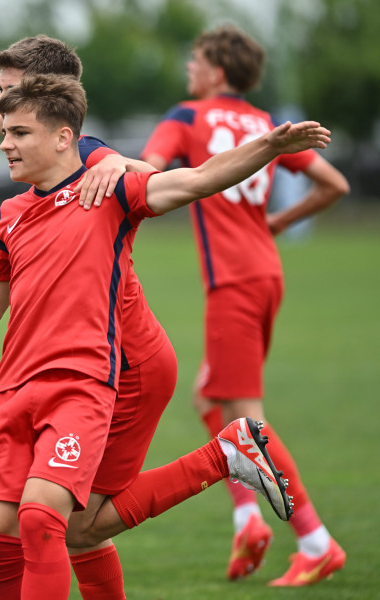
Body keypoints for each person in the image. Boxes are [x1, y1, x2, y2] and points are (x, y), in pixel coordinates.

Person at [0, 73, 329, 599]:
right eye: (4, 132)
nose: (4, 143)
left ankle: (224, 458)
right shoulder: (8, 215)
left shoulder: (111, 189)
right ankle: (225, 456)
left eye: (19, 133)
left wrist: (269, 145)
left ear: (64, 137)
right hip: (11, 392)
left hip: (82, 385)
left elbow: (197, 179)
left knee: (41, 518)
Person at [0, 37, 178, 597]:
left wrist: (120, 164)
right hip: (75, 361)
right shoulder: (38, 166)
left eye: (8, 92)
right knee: (35, 524)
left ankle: (224, 454)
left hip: (121, 364)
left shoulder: (93, 157)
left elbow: (140, 171)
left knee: (64, 521)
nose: (2, 108)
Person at [141, 24, 349, 586]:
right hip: (266, 273)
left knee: (246, 415)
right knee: (210, 398)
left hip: (232, 282)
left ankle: (315, 541)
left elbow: (146, 171)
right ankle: (247, 519)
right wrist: (277, 222)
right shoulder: (265, 126)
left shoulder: (188, 115)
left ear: (218, 69)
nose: (190, 67)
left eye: (196, 58)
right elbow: (335, 185)